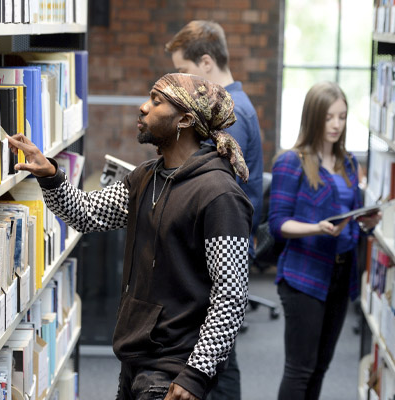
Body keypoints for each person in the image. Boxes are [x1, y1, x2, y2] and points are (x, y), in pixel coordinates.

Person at [7, 73, 253, 400]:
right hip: (136, 358)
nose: (142, 107)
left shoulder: (220, 195)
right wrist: (50, 175)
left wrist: (196, 373)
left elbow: (231, 295)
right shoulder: (145, 177)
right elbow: (86, 213)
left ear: (185, 119)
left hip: (176, 367)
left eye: (156, 100)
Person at [166, 20, 264, 400]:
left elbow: (207, 187)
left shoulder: (230, 115)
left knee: (214, 358)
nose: (183, 84)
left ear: (206, 63)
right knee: (218, 354)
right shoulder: (231, 106)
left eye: (185, 72)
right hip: (220, 243)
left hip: (219, 247)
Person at [267, 81, 380, 399]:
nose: (336, 124)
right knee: (300, 369)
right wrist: (316, 228)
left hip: (342, 274)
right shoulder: (291, 161)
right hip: (303, 276)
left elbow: (350, 215)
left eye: (342, 117)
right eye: (329, 117)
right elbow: (277, 224)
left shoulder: (348, 163)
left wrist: (366, 224)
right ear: (313, 117)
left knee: (320, 367)